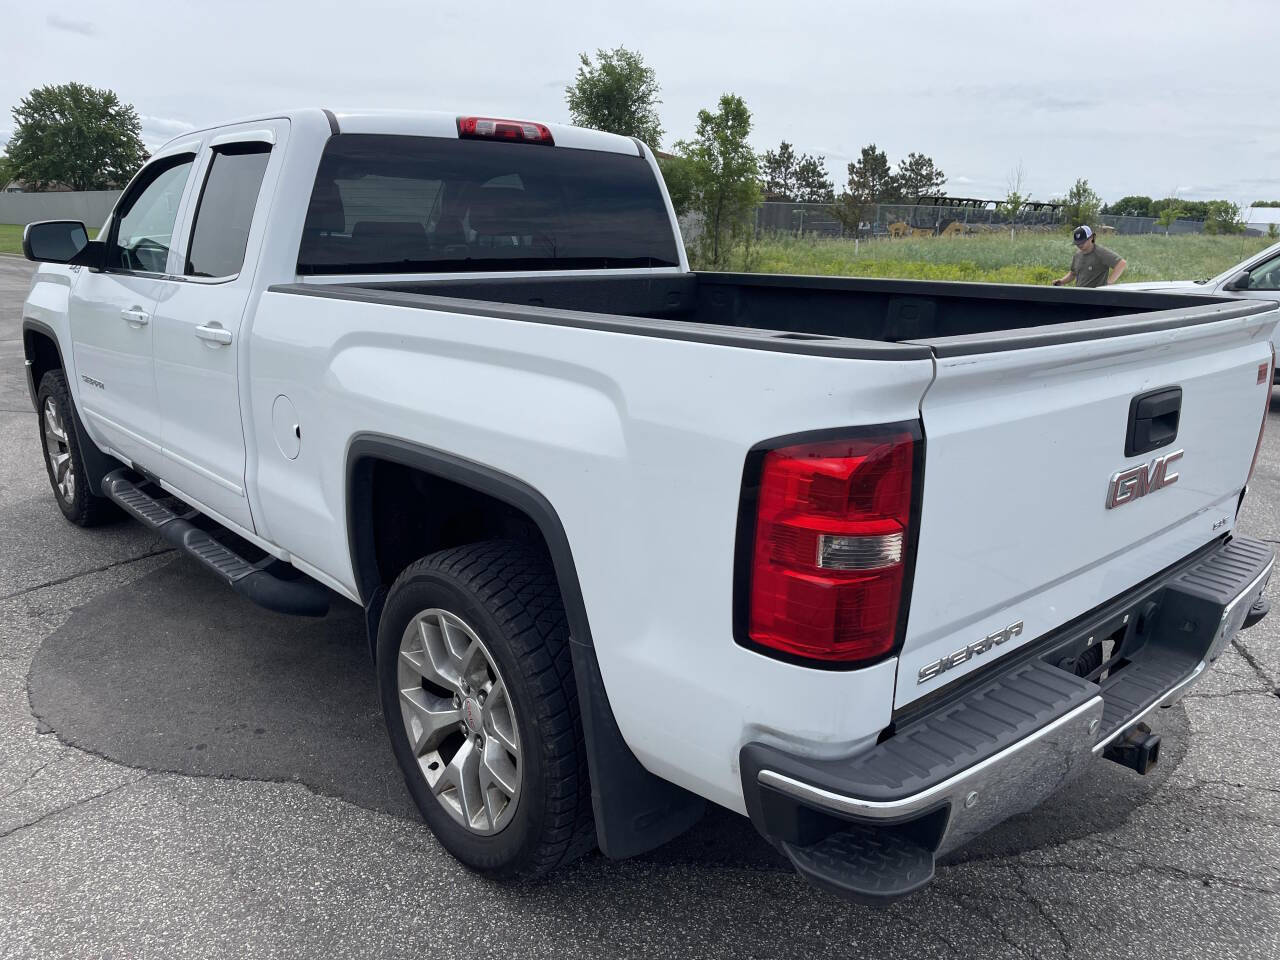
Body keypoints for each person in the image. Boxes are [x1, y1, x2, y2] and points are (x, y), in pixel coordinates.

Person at [1053, 225, 1127, 287]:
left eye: (1082, 242)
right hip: (1080, 296)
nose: (1080, 245)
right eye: (1077, 243)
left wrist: (1108, 284)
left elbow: (1121, 263)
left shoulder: (1100, 252)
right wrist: (1062, 281)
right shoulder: (1077, 255)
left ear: (1091, 238)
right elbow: (1073, 273)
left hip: (1096, 298)